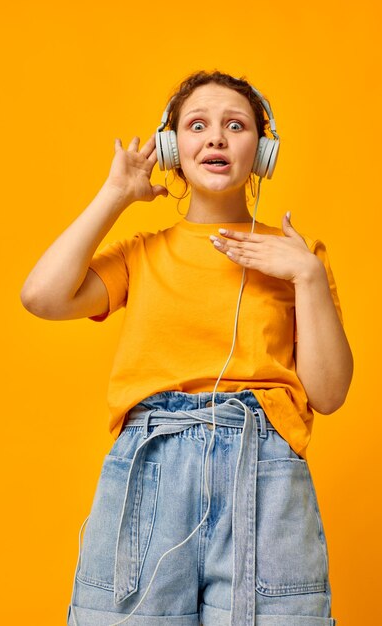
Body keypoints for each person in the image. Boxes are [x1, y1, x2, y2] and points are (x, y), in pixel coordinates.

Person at [20, 70, 353, 626]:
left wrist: (308, 278)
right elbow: (41, 297)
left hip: (263, 472)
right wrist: (116, 194)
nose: (216, 138)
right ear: (174, 148)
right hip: (152, 466)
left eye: (235, 126)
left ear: (262, 151)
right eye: (197, 125)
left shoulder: (299, 257)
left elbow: (331, 392)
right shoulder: (142, 255)